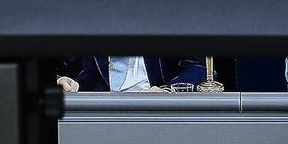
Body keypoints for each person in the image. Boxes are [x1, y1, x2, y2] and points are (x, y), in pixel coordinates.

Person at [55, 56, 225, 92]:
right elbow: (89, 74)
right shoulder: (95, 26)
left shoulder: (169, 21)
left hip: (159, 113)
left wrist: (166, 90)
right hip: (108, 113)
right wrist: (72, 83)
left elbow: (199, 69)